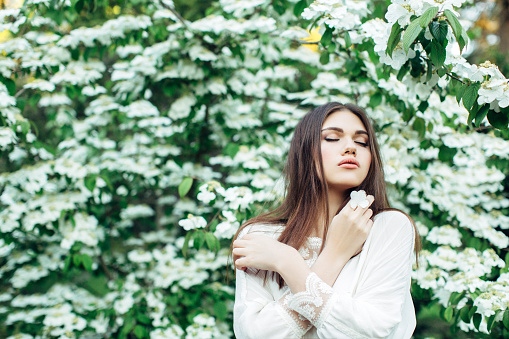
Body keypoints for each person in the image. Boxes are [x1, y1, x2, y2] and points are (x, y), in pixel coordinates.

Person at [231, 102, 421, 338]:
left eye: (362, 142)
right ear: (305, 151)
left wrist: (289, 263)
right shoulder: (261, 237)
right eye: (332, 138)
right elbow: (255, 335)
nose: (351, 147)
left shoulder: (387, 227)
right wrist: (332, 256)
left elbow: (371, 332)